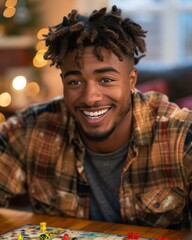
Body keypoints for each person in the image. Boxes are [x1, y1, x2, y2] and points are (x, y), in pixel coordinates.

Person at [0, 5, 191, 230]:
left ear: (131, 81)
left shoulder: (181, 136)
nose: (90, 98)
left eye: (106, 80)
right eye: (75, 82)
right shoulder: (32, 129)